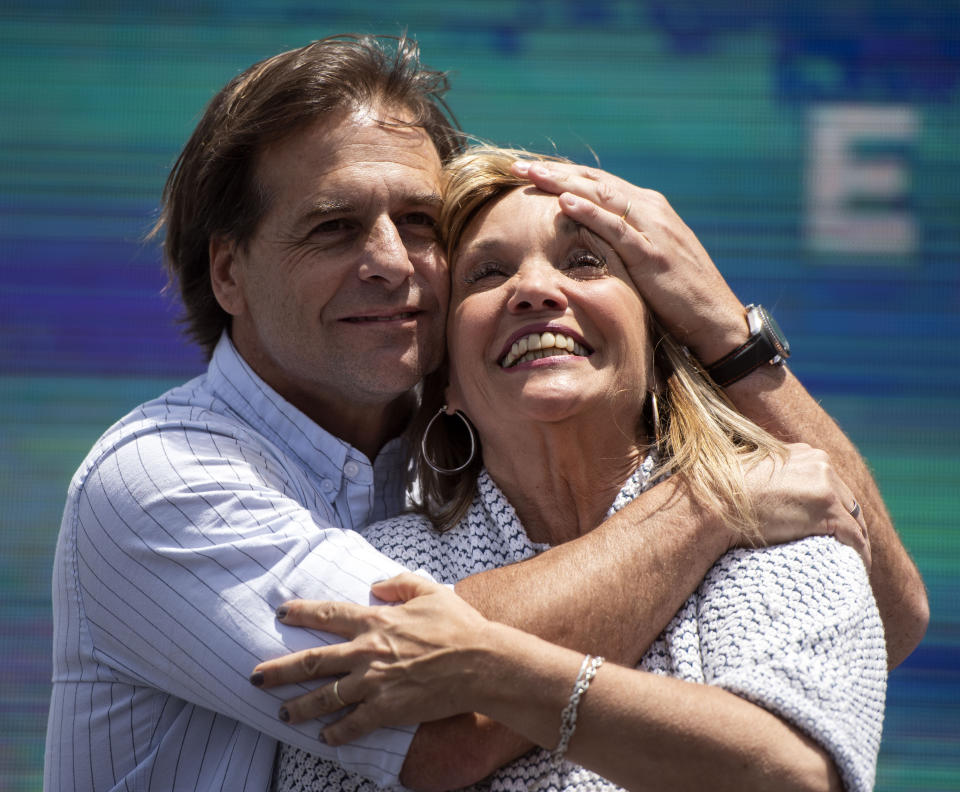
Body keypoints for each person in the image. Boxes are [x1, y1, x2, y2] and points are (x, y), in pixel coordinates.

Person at [43, 35, 924, 792]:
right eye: (333, 227)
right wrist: (707, 508)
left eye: (421, 223)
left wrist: (728, 333)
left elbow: (889, 608)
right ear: (228, 272)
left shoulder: (432, 463)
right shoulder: (159, 478)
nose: (391, 262)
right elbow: (437, 730)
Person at [255, 148, 887, 792]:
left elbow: (799, 777)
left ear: (657, 350)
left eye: (585, 262)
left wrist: (495, 667)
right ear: (446, 383)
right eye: (488, 273)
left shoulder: (783, 517)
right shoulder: (375, 567)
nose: (533, 289)